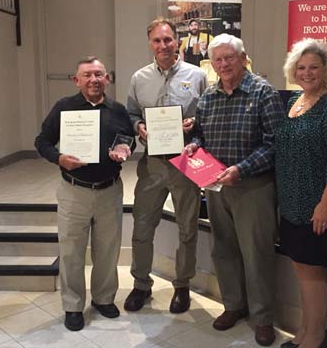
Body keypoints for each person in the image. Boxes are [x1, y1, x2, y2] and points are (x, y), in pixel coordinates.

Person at [185, 33, 284, 346]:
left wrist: (242, 169)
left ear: (243, 59)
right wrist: (193, 147)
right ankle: (233, 306)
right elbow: (201, 135)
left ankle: (263, 318)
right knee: (224, 249)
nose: (224, 64)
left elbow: (276, 143)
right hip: (216, 186)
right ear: (212, 64)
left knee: (257, 255)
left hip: (252, 186)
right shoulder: (208, 97)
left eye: (230, 57)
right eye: (218, 59)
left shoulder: (263, 92)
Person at [35, 56, 135, 331]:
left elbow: (128, 139)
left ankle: (103, 299)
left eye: (99, 74)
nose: (94, 80)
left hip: (109, 191)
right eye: (87, 75)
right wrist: (59, 158)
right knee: (71, 251)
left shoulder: (117, 109)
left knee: (107, 250)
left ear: (108, 79)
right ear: (76, 80)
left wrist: (125, 150)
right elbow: (42, 141)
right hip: (73, 191)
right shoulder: (64, 108)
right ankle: (73, 305)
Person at [276, 38, 327, 348]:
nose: (307, 72)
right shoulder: (294, 101)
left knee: (311, 273)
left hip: (321, 207)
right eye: (301, 67)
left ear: (326, 70)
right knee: (301, 270)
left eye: (313, 67)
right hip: (293, 204)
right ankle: (304, 332)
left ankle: (315, 337)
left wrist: (325, 205)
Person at [125, 18, 207, 314]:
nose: (163, 45)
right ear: (150, 43)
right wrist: (138, 126)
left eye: (168, 40)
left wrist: (195, 123)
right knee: (142, 226)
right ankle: (141, 285)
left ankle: (182, 285)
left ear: (178, 41)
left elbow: (206, 117)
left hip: (185, 163)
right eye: (157, 41)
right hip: (152, 165)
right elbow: (132, 112)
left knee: (187, 228)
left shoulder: (197, 76)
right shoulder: (139, 78)